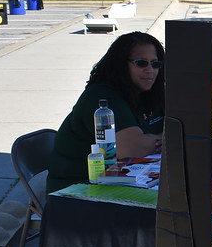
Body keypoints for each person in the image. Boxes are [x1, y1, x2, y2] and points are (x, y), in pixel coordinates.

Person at [47, 31, 165, 193]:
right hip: (78, 188)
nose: (150, 70)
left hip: (125, 179)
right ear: (120, 64)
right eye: (141, 63)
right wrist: (164, 139)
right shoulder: (102, 97)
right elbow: (132, 149)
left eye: (155, 64)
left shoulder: (148, 93)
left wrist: (158, 140)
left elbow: (181, 129)